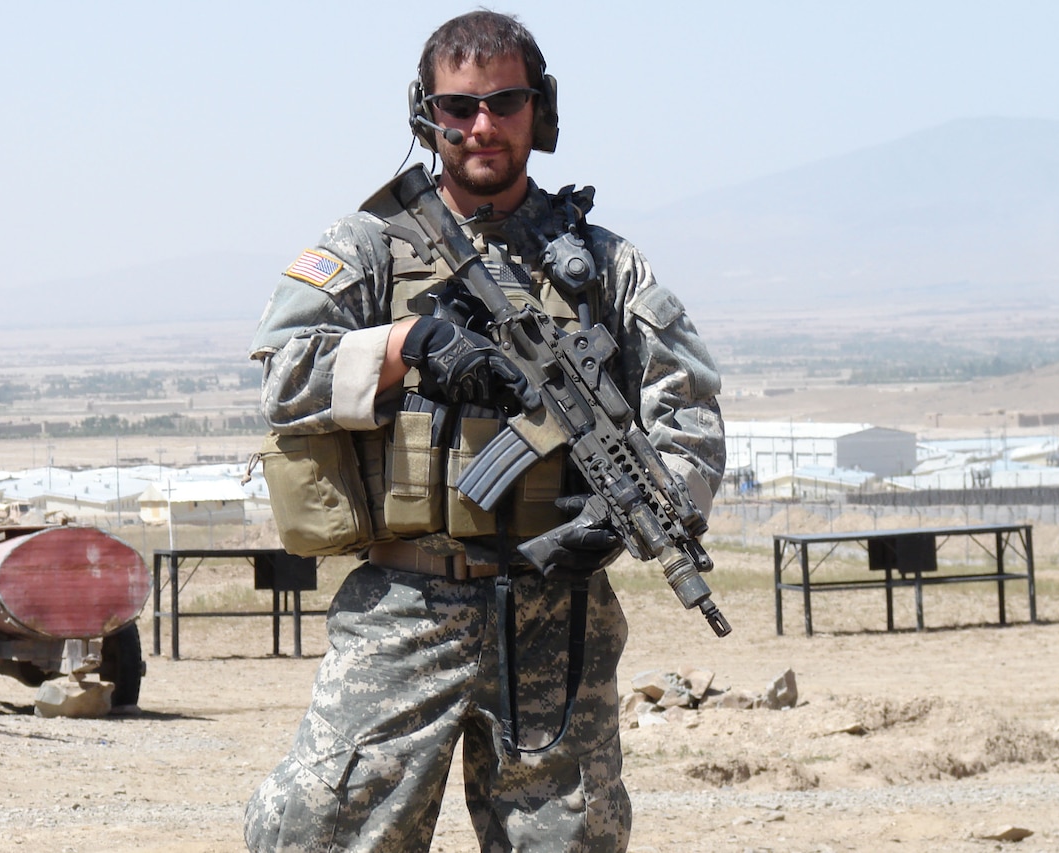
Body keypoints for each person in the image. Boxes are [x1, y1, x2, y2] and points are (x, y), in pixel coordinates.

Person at [244, 10, 725, 852]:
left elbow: (687, 412)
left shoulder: (603, 263)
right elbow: (283, 378)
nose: (481, 126)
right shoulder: (372, 248)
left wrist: (636, 512)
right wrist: (405, 345)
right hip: (406, 605)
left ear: (540, 110)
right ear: (423, 115)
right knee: (318, 832)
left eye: (505, 102)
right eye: (458, 106)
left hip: (557, 611)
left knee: (571, 841)